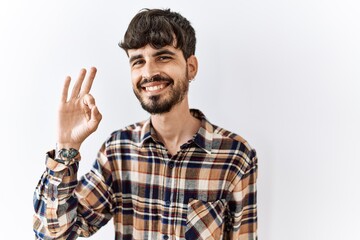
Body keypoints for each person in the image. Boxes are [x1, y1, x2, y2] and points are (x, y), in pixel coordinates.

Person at [33, 8, 258, 240]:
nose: (149, 72)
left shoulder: (236, 156)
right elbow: (54, 235)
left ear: (191, 67)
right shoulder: (118, 151)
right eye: (138, 61)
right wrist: (66, 147)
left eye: (163, 57)